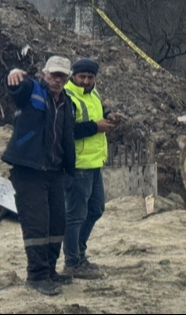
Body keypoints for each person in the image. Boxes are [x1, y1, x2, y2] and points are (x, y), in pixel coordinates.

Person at [2, 56, 77, 296]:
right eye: (53, 74)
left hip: (54, 171)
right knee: (37, 224)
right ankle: (36, 276)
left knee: (57, 223)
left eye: (62, 76)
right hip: (29, 170)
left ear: (67, 78)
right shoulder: (31, 90)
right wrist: (13, 74)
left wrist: (69, 168)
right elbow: (16, 89)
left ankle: (49, 271)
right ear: (45, 74)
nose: (57, 79)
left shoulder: (67, 102)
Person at [62, 58, 125, 280]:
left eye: (90, 77)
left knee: (96, 209)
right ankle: (72, 262)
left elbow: (97, 112)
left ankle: (79, 253)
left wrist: (108, 116)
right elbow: (66, 130)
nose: (86, 81)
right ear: (74, 76)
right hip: (78, 165)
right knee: (75, 215)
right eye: (82, 77)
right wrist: (96, 127)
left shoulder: (93, 94)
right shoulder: (67, 97)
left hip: (95, 163)